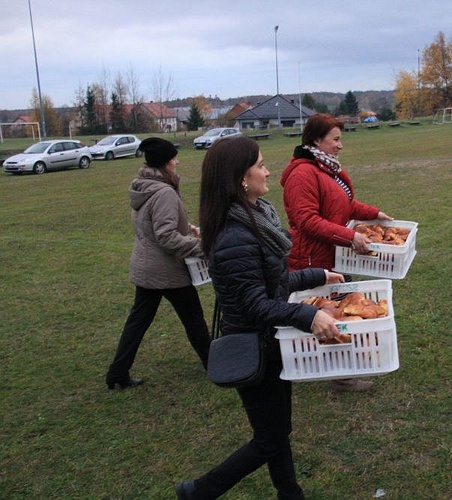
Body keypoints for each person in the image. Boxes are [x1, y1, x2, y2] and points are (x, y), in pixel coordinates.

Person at [175, 136, 344, 499]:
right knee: (269, 438)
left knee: (276, 432)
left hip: (271, 345)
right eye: (261, 165)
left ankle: (289, 494)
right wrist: (307, 315)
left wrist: (319, 276)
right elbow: (255, 305)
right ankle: (199, 491)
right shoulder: (236, 235)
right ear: (240, 178)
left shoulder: (257, 218)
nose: (269, 171)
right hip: (255, 346)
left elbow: (274, 284)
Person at [279, 113, 392, 392]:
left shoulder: (326, 168)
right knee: (326, 314)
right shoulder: (303, 173)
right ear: (317, 140)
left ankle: (342, 370)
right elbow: (306, 220)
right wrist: (350, 236)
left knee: (338, 311)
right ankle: (339, 376)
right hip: (312, 258)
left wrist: (375, 214)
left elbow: (345, 205)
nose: (341, 145)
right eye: (336, 139)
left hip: (333, 253)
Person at [105, 137, 211, 390]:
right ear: (164, 163)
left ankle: (117, 373)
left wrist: (187, 228)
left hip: (146, 266)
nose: (177, 161)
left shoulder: (143, 186)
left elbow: (153, 227)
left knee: (138, 321)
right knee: (194, 318)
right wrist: (203, 247)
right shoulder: (163, 192)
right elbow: (165, 236)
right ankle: (214, 363)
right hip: (166, 270)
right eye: (173, 158)